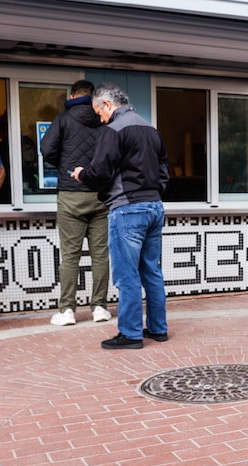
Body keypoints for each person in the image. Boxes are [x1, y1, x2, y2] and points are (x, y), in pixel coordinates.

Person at [72, 83, 170, 350]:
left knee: (126, 276)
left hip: (127, 210)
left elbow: (100, 173)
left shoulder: (114, 130)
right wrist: (153, 191)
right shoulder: (151, 128)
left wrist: (82, 174)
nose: (99, 118)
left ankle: (130, 334)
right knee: (151, 271)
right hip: (154, 207)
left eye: (98, 112)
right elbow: (164, 171)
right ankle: (158, 329)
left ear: (107, 104)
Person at [40, 80, 111, 326]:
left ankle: (67, 310)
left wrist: (63, 162)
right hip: (100, 194)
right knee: (100, 254)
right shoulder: (103, 117)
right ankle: (100, 307)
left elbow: (46, 149)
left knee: (70, 256)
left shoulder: (64, 118)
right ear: (92, 97)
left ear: (72, 95)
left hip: (70, 193)